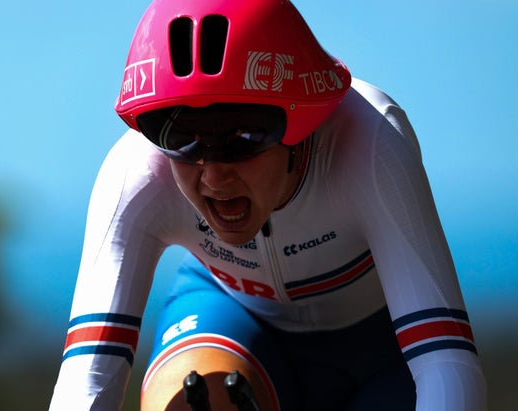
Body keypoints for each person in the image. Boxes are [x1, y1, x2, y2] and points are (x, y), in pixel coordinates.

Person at [49, 0, 487, 410]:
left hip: (383, 355)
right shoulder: (138, 169)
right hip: (232, 321)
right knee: (199, 399)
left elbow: (445, 363)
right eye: (181, 138)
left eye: (243, 138)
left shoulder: (370, 140)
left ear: (304, 124)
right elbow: (87, 376)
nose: (214, 175)